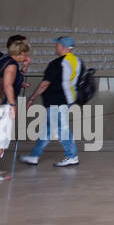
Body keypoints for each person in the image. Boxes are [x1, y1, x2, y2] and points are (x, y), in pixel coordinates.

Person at [20, 36, 82, 168]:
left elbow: (44, 84)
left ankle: (72, 156)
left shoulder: (57, 63)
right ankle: (34, 156)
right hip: (67, 99)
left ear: (64, 47)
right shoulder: (77, 61)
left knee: (61, 128)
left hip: (56, 101)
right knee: (47, 129)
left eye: (57, 45)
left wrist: (32, 98)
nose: (55, 47)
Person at [1, 38, 32, 180]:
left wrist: (24, 67)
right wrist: (13, 106)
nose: (26, 56)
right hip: (3, 105)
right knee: (1, 139)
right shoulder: (11, 65)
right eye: (25, 54)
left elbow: (14, 80)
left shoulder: (5, 60)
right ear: (20, 53)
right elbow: (8, 86)